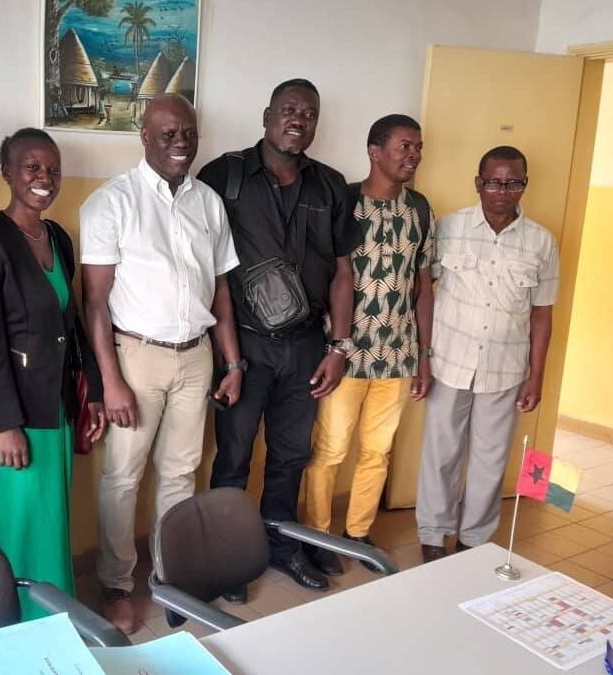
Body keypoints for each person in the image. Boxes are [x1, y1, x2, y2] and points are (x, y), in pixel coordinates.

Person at [81, 94, 243, 633]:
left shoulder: (209, 203)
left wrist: (231, 361)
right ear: (144, 137)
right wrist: (111, 381)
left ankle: (171, 579)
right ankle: (116, 584)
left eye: (188, 133)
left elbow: (220, 289)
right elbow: (95, 303)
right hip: (135, 359)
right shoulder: (112, 202)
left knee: (180, 473)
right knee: (123, 477)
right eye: (168, 133)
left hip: (195, 355)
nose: (180, 143)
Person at [198, 78, 358, 596]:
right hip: (242, 346)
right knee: (234, 457)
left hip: (308, 347)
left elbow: (341, 273)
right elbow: (209, 269)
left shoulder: (330, 185)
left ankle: (283, 548)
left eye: (308, 113)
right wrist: (228, 357)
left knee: (291, 455)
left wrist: (338, 347)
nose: (298, 120)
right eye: (288, 110)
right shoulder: (224, 176)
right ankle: (225, 558)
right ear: (267, 115)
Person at [0, 128, 106, 620]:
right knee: (23, 525)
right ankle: (18, 620)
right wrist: (5, 423)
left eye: (52, 169)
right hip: (17, 417)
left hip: (58, 409)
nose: (44, 178)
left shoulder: (58, 237)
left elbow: (76, 321)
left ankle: (57, 615)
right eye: (32, 167)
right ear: (7, 173)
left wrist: (92, 392)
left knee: (53, 523)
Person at [304, 114, 434, 575]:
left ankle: (357, 533)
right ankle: (316, 534)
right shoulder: (345, 203)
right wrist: (330, 346)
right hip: (345, 356)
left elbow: (422, 287)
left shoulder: (419, 209)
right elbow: (327, 276)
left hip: (397, 356)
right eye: (403, 146)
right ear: (374, 151)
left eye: (417, 147)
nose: (413, 155)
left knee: (377, 452)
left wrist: (423, 356)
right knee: (331, 450)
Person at [416, 146, 558, 562]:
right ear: (479, 183)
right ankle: (432, 532)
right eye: (493, 181)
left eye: (512, 182)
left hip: (505, 368)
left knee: (490, 459)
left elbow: (542, 315)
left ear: (524, 186)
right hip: (449, 361)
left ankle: (473, 541)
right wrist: (422, 356)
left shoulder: (541, 243)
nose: (502, 190)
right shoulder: (449, 228)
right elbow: (423, 292)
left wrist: (537, 375)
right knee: (440, 452)